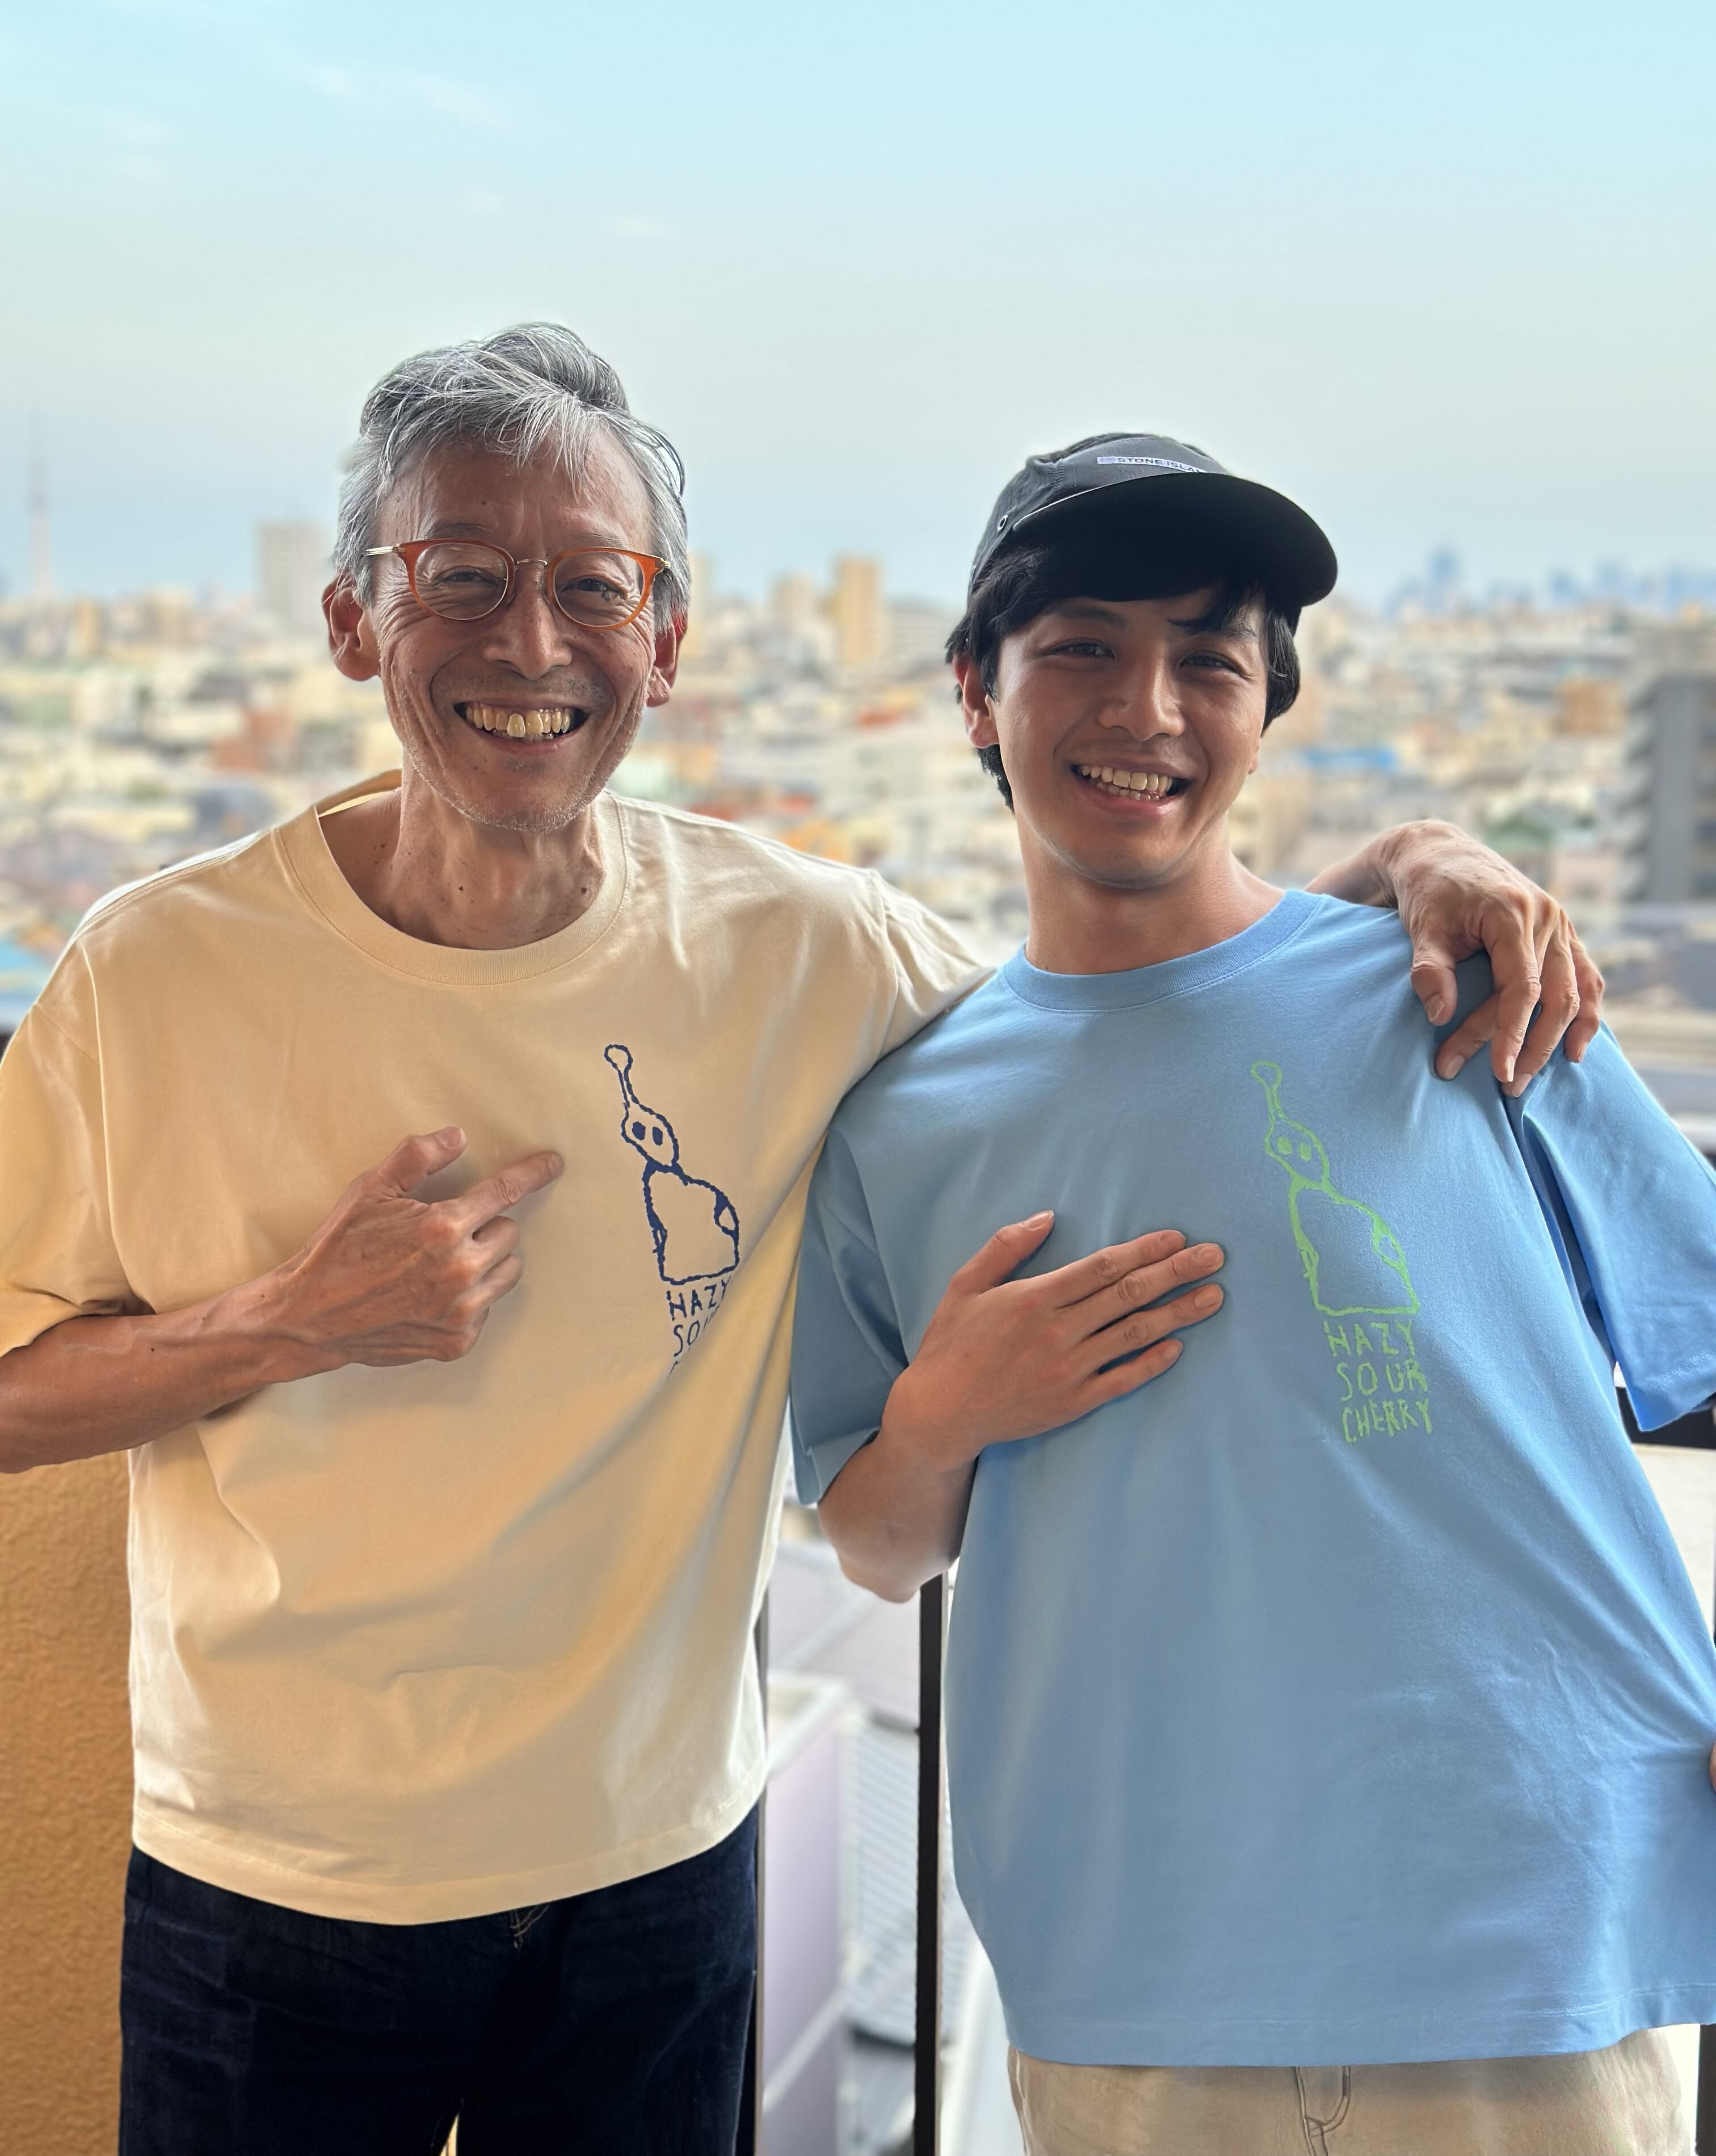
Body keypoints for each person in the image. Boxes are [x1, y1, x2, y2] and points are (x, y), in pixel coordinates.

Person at [0, 334, 1601, 2156]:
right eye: (463, 577)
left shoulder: (797, 941)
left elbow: (1127, 1003)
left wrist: (1412, 864)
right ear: (356, 619)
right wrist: (288, 1323)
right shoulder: (158, 970)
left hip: (654, 1870)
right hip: (276, 1883)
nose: (532, 643)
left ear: (667, 641)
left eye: (593, 587)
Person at [790, 435, 1716, 2156]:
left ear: (1267, 709)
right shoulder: (898, 1122)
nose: (1146, 708)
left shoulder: (1467, 986)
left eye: (1209, 661)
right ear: (976, 692)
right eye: (1081, 646)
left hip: (1518, 1921)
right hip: (1132, 1950)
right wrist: (945, 1416)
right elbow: (879, 1544)